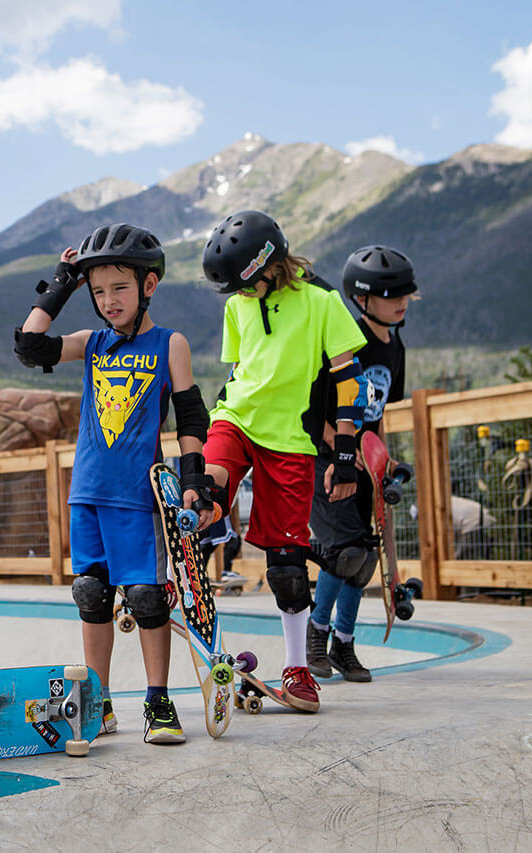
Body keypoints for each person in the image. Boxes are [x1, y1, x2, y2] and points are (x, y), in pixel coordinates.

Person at [14, 223, 215, 744]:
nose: (109, 301)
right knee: (90, 594)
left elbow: (191, 418)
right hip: (87, 494)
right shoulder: (93, 344)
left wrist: (195, 479)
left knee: (148, 596)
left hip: (137, 498)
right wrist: (63, 281)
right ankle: (97, 702)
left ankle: (158, 702)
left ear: (149, 285)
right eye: (99, 291)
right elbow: (31, 345)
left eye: (120, 288)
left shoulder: (170, 344)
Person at [200, 210, 369, 712]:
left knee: (288, 569)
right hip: (236, 418)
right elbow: (241, 373)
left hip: (291, 443)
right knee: (208, 485)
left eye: (245, 286)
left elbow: (348, 382)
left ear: (268, 264)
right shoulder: (238, 307)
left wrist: (343, 452)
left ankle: (298, 670)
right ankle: (198, 516)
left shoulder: (322, 304)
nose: (242, 296)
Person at [308, 245, 418, 682]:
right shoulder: (347, 342)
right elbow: (315, 413)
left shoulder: (396, 348)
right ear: (363, 299)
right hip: (330, 460)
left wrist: (383, 462)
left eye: (405, 294)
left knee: (366, 556)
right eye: (391, 294)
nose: (401, 301)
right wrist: (344, 454)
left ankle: (344, 646)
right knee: (344, 552)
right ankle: (315, 638)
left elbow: (377, 416)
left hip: (367, 466)